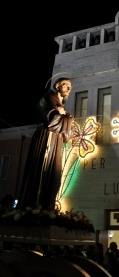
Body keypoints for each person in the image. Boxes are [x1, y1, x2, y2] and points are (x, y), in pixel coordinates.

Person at [17, 77, 75, 210]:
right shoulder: (48, 99)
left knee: (54, 173)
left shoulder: (62, 107)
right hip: (45, 136)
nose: (69, 88)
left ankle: (47, 206)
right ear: (57, 86)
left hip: (56, 140)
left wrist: (67, 120)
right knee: (42, 169)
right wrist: (64, 117)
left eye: (70, 87)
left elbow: (66, 134)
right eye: (66, 85)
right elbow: (51, 122)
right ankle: (35, 206)